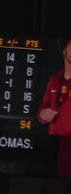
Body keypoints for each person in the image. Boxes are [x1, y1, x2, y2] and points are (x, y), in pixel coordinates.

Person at [37, 37, 71, 180]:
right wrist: (43, 114)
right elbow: (41, 111)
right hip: (54, 144)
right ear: (65, 50)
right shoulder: (55, 79)